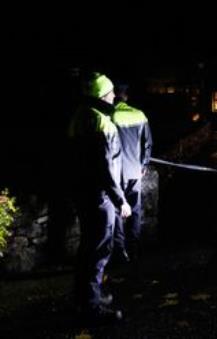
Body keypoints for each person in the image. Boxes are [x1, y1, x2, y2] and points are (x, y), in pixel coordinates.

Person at [68, 72, 131, 323]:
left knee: (87, 248)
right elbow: (105, 167)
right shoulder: (101, 122)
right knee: (99, 250)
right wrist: (120, 200)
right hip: (100, 197)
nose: (114, 96)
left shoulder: (79, 116)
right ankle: (91, 307)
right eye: (110, 92)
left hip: (82, 193)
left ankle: (84, 296)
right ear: (101, 95)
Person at [111, 85, 153, 263]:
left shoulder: (110, 116)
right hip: (135, 170)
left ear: (115, 98)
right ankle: (134, 248)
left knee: (116, 210)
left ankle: (120, 251)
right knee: (135, 210)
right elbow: (147, 143)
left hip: (116, 171)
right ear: (126, 97)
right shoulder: (140, 114)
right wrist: (144, 164)